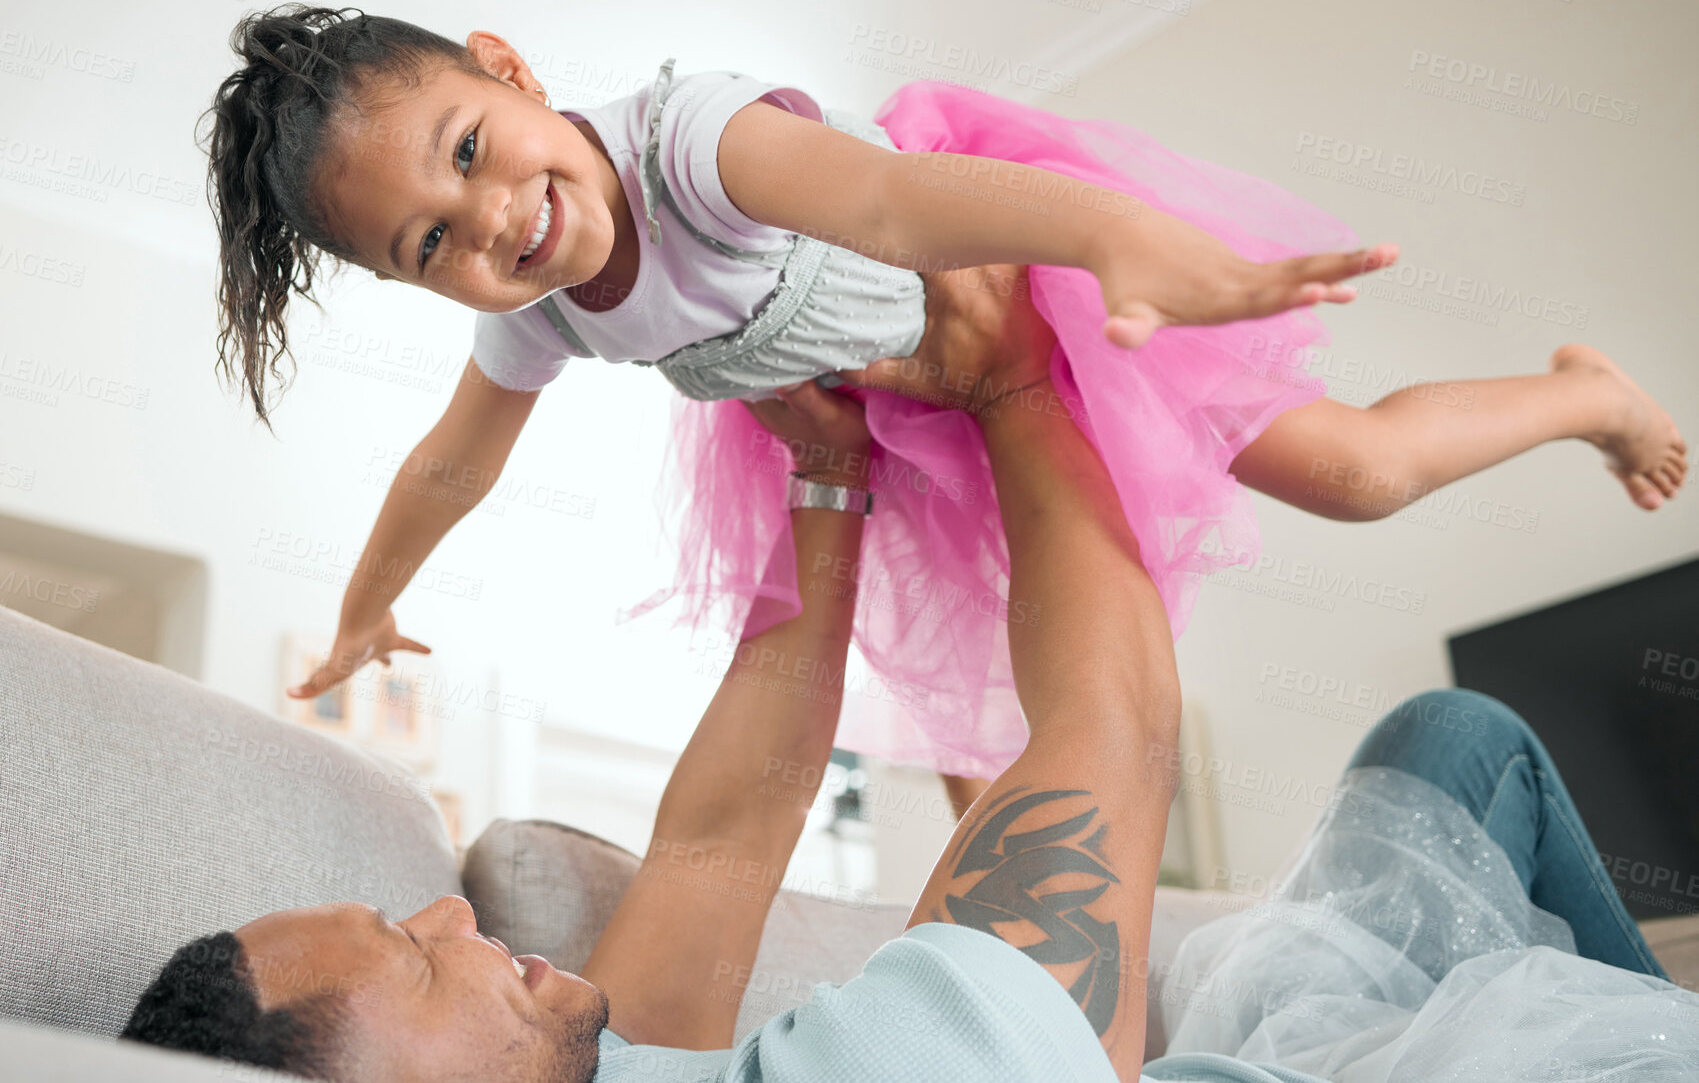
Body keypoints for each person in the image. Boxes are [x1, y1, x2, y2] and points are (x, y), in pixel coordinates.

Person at [122, 272, 1695, 1082]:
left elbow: (721, 840)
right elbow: (1114, 731)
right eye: (409, 950)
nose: (456, 911)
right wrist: (1017, 381)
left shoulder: (595, 1057)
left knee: (1449, 736)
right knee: (1465, 750)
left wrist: (826, 480)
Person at [205, 5, 1686, 799]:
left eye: (471, 150)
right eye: (433, 244)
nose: (496, 224)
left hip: (1019, 285)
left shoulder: (696, 143)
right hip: (905, 424)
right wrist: (360, 608)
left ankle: (1581, 395)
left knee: (1353, 476)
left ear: (509, 69)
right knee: (970, 740)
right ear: (419, 285)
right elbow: (447, 469)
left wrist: (1115, 241)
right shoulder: (539, 315)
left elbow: (902, 206)